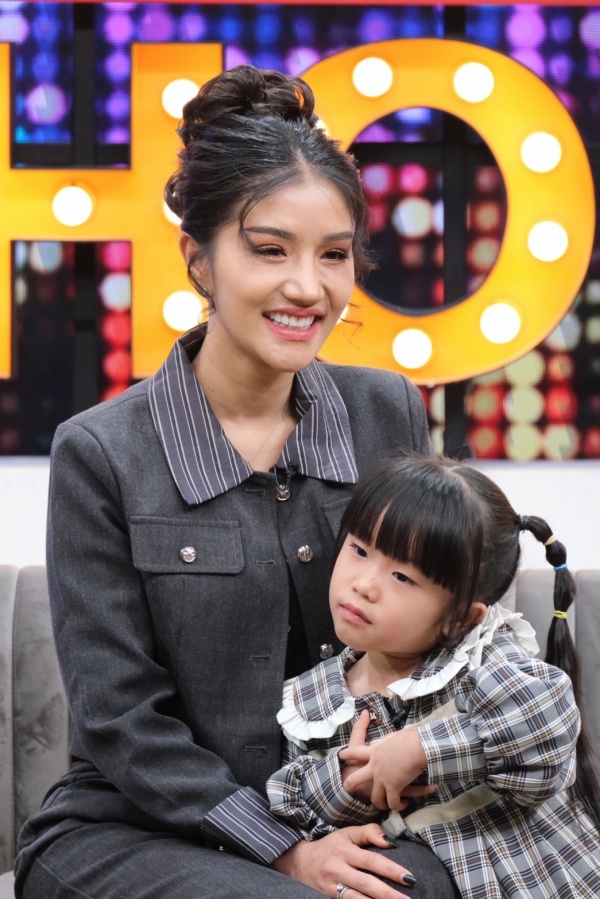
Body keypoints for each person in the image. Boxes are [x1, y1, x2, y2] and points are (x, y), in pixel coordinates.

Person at [14, 67, 460, 899]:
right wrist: (281, 848)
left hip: (351, 815)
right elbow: (120, 720)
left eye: (334, 255)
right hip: (139, 830)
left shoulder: (386, 411)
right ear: (199, 260)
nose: (308, 287)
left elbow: (446, 640)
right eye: (269, 249)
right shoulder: (101, 452)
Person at [266, 455, 600, 899]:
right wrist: (349, 784)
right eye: (360, 550)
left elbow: (545, 724)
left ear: (460, 618)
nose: (364, 584)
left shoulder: (480, 654)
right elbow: (293, 805)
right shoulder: (313, 702)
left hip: (536, 879)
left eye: (402, 576)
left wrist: (420, 748)